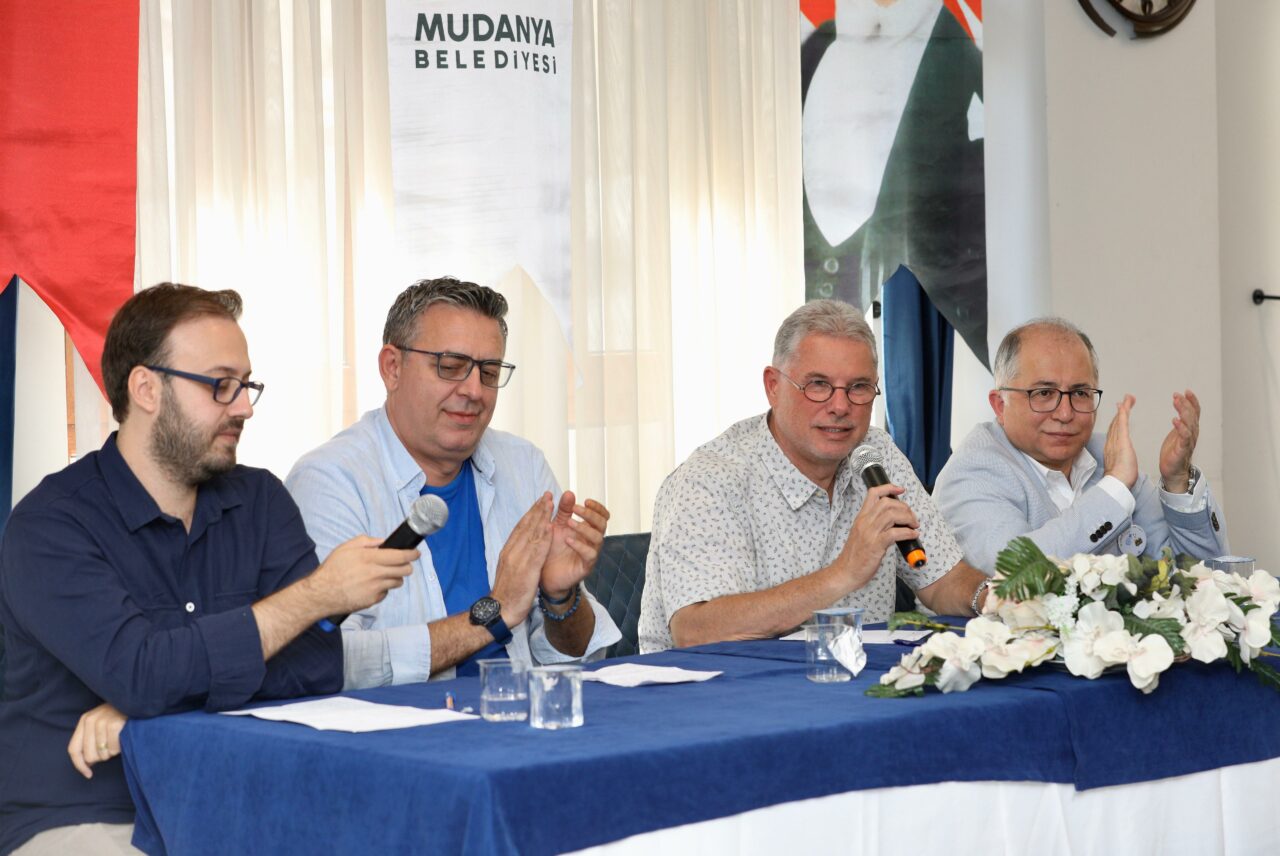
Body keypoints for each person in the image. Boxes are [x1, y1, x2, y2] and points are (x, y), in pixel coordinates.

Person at [0, 284, 415, 855]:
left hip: (239, 800)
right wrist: (314, 597)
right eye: (221, 385)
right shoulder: (52, 524)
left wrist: (151, 704)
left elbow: (315, 668)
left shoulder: (261, 501)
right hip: (93, 813)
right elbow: (142, 674)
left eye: (247, 385)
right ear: (146, 389)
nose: (244, 407)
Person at [286, 277, 619, 687]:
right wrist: (494, 614)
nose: (474, 390)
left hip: (511, 715)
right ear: (392, 368)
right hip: (400, 724)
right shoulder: (329, 481)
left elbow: (578, 657)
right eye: (451, 366)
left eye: (489, 372)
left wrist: (561, 598)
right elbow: (324, 661)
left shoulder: (523, 464)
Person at [638, 299, 989, 654]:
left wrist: (991, 598)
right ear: (773, 386)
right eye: (818, 385)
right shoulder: (711, 479)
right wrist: (844, 572)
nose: (840, 406)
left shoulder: (875, 454)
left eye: (858, 387)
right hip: (723, 685)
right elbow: (696, 632)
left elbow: (943, 580)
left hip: (858, 681)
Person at [932, 317, 1228, 571]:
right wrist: (1113, 487)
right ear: (1000, 405)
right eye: (1044, 393)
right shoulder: (973, 470)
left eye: (1080, 393)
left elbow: (1201, 577)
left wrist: (1177, 481)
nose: (1065, 414)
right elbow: (1016, 575)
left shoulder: (1105, 455)